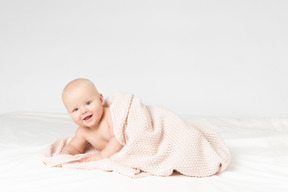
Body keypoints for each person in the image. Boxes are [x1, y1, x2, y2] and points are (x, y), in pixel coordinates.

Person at [60, 78, 123, 161]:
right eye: (75, 109)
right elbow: (74, 147)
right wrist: (66, 153)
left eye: (88, 103)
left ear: (100, 100)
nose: (83, 111)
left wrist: (102, 156)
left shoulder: (110, 116)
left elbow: (119, 138)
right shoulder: (82, 132)